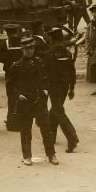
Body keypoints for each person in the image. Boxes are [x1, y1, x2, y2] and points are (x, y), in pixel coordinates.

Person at [10, 36, 57, 166]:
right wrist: (18, 95)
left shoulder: (40, 62)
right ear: (22, 50)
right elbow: (11, 85)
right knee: (26, 130)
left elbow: (46, 78)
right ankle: (27, 156)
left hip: (39, 100)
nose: (30, 51)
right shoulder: (17, 66)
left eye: (31, 48)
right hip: (25, 102)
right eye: (27, 49)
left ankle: (51, 154)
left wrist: (46, 89)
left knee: (46, 129)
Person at [44, 27, 79, 153]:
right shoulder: (67, 53)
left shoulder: (48, 54)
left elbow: (45, 73)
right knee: (55, 110)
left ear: (52, 39)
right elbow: (72, 71)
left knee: (57, 110)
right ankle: (52, 136)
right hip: (65, 87)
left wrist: (43, 88)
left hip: (54, 87)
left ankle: (72, 138)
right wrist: (72, 88)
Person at [0, 23, 23, 131]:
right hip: (22, 72)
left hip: (10, 72)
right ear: (16, 31)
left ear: (7, 32)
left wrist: (6, 60)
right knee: (21, 95)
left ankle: (11, 122)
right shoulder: (22, 41)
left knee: (11, 97)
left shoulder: (5, 43)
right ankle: (20, 121)